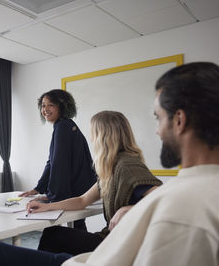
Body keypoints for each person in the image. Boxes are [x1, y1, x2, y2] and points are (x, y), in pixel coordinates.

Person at [62, 61, 219, 266]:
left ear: (179, 121)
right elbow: (83, 199)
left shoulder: (181, 207)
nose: (157, 130)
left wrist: (136, 209)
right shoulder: (196, 194)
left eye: (158, 118)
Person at [0, 111, 162, 266]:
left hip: (117, 246)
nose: (91, 139)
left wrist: (132, 209)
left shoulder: (127, 165)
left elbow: (162, 197)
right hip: (114, 240)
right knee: (53, 234)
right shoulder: (113, 167)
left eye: (93, 134)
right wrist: (48, 206)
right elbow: (83, 200)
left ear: (103, 136)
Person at [19, 89, 96, 229]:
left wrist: (53, 196)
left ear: (62, 106)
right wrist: (39, 188)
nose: (45, 109)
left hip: (75, 190)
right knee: (77, 226)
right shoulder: (65, 125)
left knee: (61, 229)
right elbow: (52, 162)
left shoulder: (63, 127)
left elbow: (59, 165)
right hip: (79, 188)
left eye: (51, 105)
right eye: (43, 105)